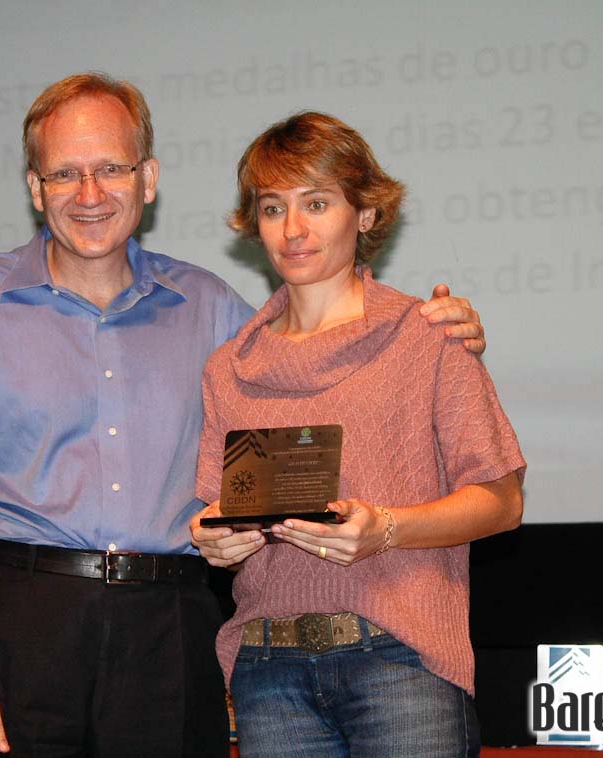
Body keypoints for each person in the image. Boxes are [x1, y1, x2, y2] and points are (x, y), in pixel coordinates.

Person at [0, 73, 489, 758]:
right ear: (36, 189)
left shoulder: (213, 310)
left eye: (111, 168)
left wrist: (438, 325)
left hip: (169, 633)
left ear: (148, 179)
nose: (90, 195)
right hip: (23, 628)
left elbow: (319, 351)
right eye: (66, 174)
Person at [190, 111, 526, 758]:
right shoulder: (229, 369)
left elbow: (503, 501)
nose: (293, 229)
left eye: (316, 203)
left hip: (401, 662)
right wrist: (212, 537)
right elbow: (210, 509)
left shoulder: (427, 338)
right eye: (271, 208)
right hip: (268, 675)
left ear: (365, 215)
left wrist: (387, 530)